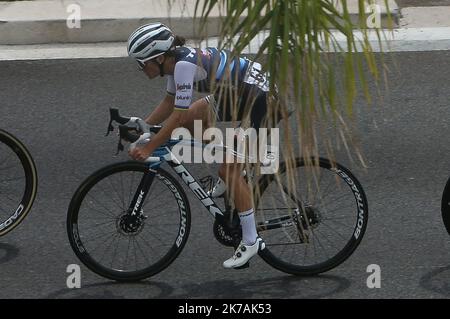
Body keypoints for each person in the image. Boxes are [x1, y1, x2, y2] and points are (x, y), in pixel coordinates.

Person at [127, 22, 276, 269]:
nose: (141, 68)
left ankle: (251, 240)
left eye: (142, 62)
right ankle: (233, 166)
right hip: (237, 95)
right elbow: (169, 102)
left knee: (228, 169)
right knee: (194, 118)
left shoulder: (184, 66)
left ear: (159, 57)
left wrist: (150, 146)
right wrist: (143, 125)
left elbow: (176, 116)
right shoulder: (177, 65)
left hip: (261, 100)